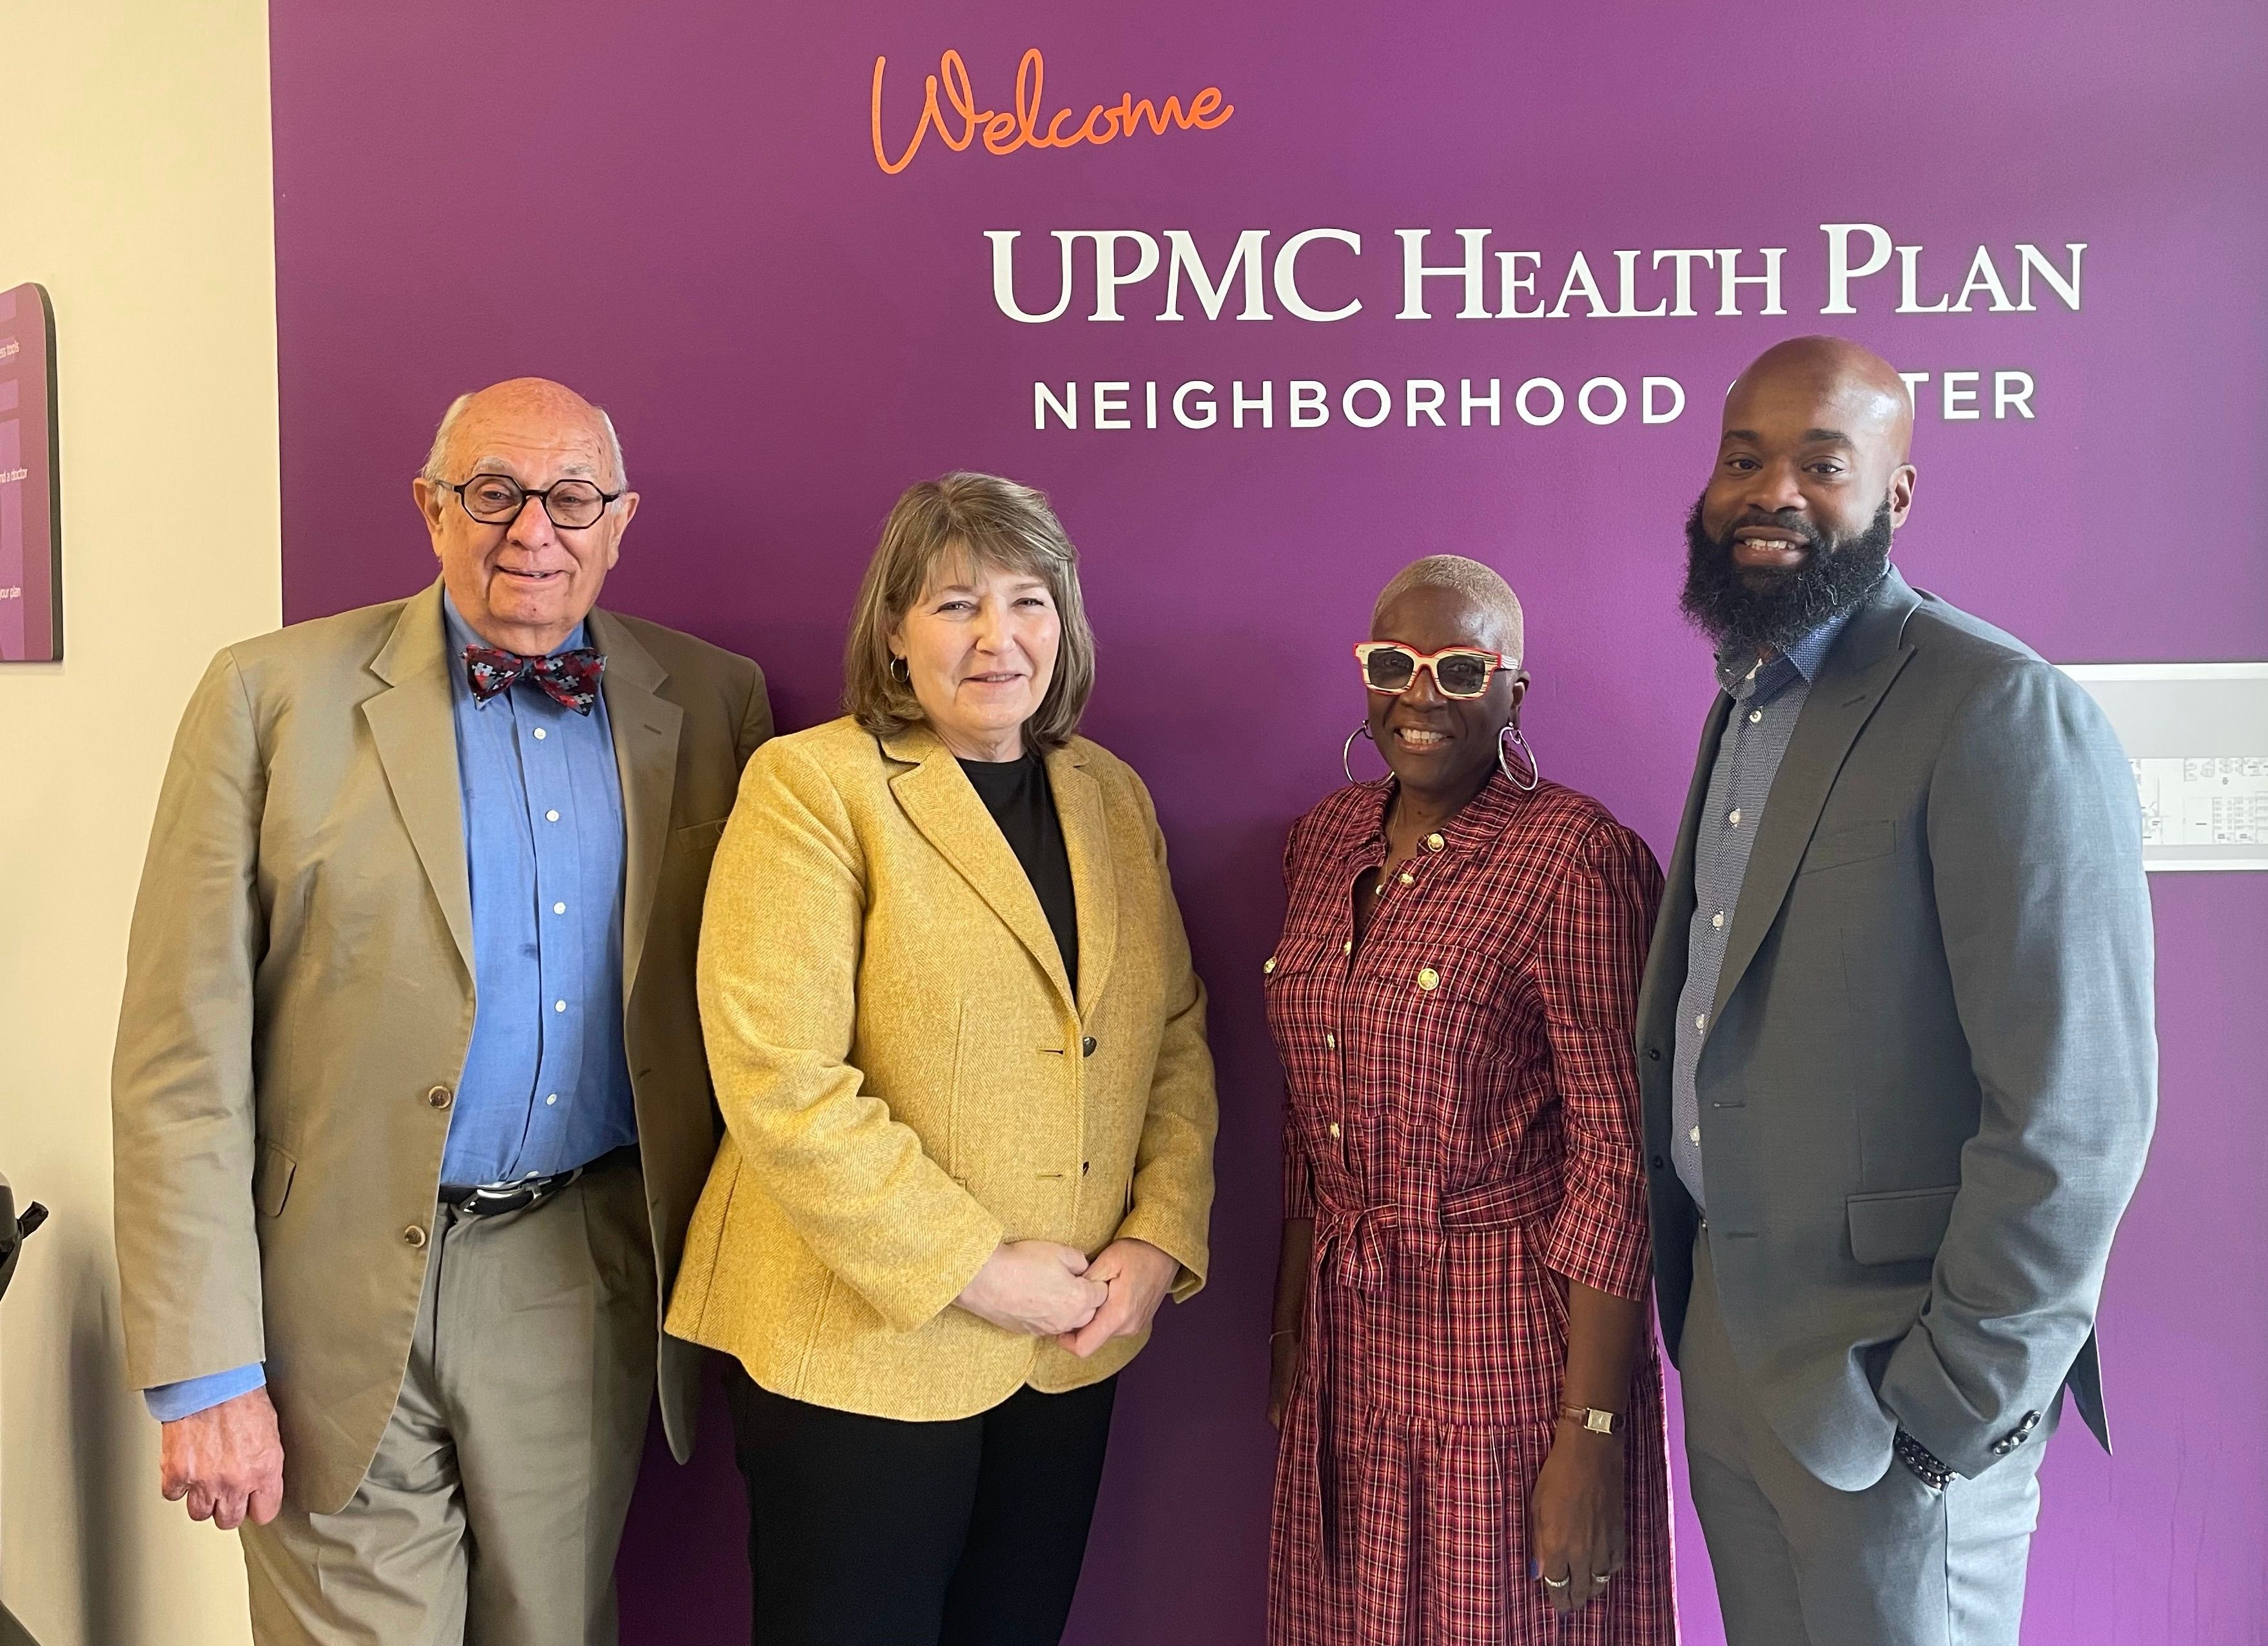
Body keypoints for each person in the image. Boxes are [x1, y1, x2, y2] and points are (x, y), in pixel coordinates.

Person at [111, 377, 772, 1644]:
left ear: (620, 518)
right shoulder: (267, 695)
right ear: (430, 507)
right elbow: (175, 1056)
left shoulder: (713, 702)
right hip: (321, 1283)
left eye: (571, 496)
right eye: (493, 491)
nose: (534, 529)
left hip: (577, 1268)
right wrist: (205, 1366)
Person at [1639, 336, 2157, 1645]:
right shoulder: (1744, 704)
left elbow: (2074, 1111)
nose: (1773, 491)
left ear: (1897, 493)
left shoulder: (1997, 707)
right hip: (1731, 1353)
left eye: (1823, 462)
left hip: (1893, 1389)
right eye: (1742, 457)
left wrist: (1951, 1408)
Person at [665, 471, 1218, 1646]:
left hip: (1064, 1344)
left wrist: (1157, 1232)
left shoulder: (1109, 795)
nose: (997, 637)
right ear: (894, 631)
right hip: (861, 1345)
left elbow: (1168, 1034)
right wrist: (974, 1265)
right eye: (956, 604)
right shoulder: (815, 785)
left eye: (1027, 602)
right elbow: (781, 1075)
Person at [1264, 555, 1674, 1645]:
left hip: (1508, 1344)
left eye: (1459, 668)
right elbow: (1307, 1114)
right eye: (1393, 664)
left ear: (1513, 693)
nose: (1419, 694)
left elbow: (1620, 1156)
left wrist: (1588, 1428)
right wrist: (1288, 1315)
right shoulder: (1321, 843)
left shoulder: (1576, 858)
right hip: (1349, 1330)